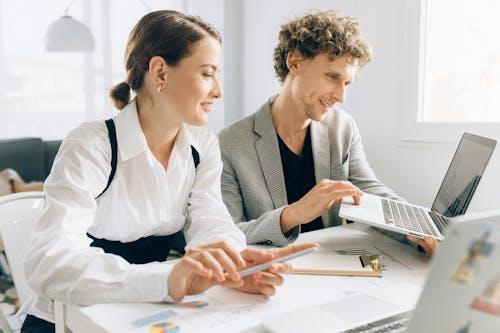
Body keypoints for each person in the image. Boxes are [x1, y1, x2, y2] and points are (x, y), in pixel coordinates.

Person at [22, 10, 316, 333]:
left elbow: (210, 221)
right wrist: (165, 278)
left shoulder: (202, 148)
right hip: (69, 320)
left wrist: (232, 263)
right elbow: (47, 261)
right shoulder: (92, 146)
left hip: (143, 314)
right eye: (207, 74)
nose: (218, 91)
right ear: (160, 72)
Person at [218, 10, 438, 256]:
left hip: (330, 264)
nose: (340, 96)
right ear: (295, 63)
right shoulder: (230, 143)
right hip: (270, 270)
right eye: (332, 77)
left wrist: (421, 227)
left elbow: (369, 188)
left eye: (347, 83)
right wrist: (293, 214)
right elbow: (228, 234)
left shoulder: (342, 127)